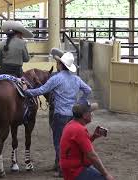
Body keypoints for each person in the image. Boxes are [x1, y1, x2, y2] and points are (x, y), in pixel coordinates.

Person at [23, 48, 92, 177]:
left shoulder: (56, 78)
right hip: (72, 115)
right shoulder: (76, 79)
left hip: (60, 114)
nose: (57, 64)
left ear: (60, 65)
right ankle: (62, 166)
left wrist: (27, 91)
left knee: (59, 142)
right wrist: (80, 101)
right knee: (70, 142)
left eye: (58, 63)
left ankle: (61, 169)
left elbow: (41, 90)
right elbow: (88, 90)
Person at [59, 101, 114, 180]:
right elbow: (92, 156)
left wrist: (93, 137)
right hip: (75, 170)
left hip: (70, 167)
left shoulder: (71, 124)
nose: (92, 114)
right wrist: (106, 174)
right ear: (84, 115)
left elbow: (78, 145)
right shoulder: (79, 129)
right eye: (90, 112)